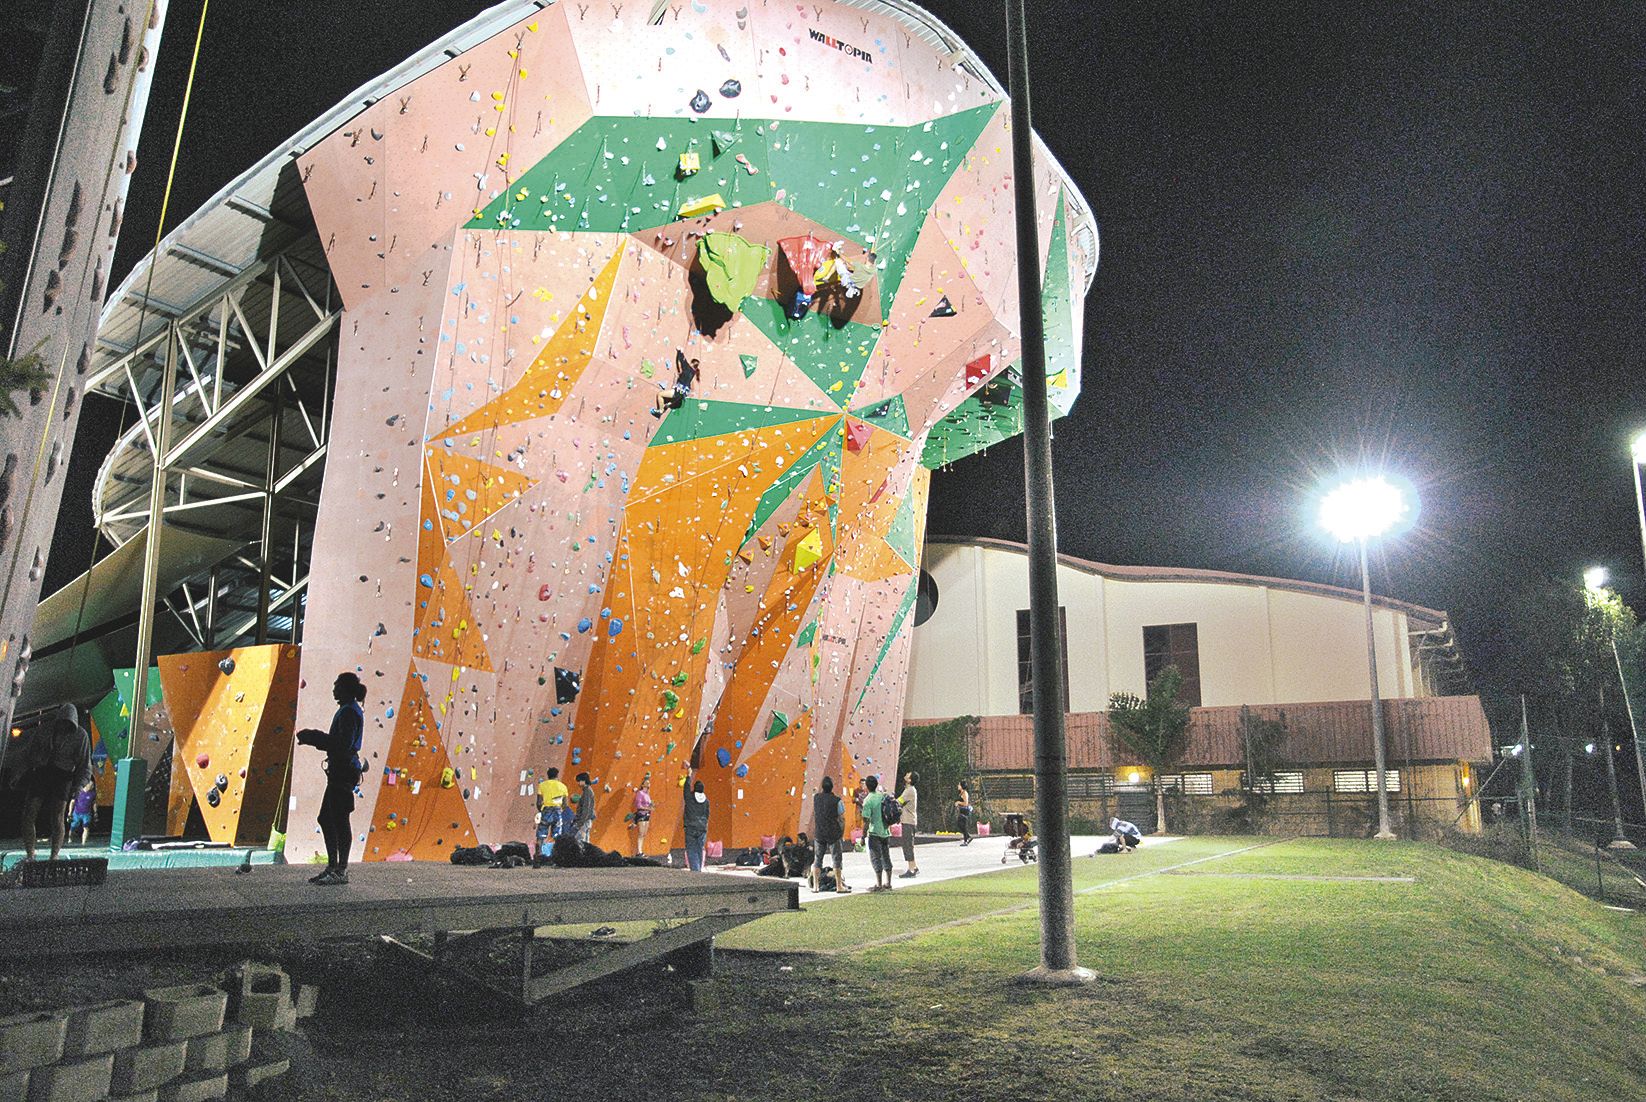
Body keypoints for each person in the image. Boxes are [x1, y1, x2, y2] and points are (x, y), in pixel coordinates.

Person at [296, 672, 366, 885]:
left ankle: (340, 869)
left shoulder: (348, 712)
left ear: (345, 689)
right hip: (341, 771)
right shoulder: (348, 710)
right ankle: (334, 866)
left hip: (343, 772)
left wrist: (314, 737)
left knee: (338, 819)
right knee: (327, 819)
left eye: (337, 686)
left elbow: (341, 744)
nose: (334, 690)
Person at [15, 704, 91, 861]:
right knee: (29, 813)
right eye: (61, 722)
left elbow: (85, 765)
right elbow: (29, 755)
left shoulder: (80, 735)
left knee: (57, 816)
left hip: (63, 775)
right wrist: (18, 773)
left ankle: (54, 855)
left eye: (67, 723)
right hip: (42, 771)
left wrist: (78, 787)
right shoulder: (44, 730)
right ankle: (30, 853)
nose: (63, 726)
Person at [811, 776, 850, 893]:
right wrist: (841, 832)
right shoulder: (837, 801)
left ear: (822, 787)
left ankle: (816, 886)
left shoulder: (816, 798)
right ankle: (839, 886)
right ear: (832, 787)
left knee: (817, 859)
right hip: (833, 832)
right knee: (836, 859)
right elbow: (841, 818)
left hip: (819, 832)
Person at [861, 775, 893, 892]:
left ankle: (879, 884)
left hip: (874, 832)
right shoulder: (882, 796)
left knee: (876, 858)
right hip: (885, 831)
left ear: (867, 787)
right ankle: (888, 882)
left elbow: (866, 820)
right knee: (886, 856)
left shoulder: (868, 800)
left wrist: (863, 836)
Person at [650, 350, 700, 417]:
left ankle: (660, 411)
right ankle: (670, 403)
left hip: (677, 391)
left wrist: (679, 351)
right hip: (682, 394)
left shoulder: (687, 368)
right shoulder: (693, 373)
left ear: (691, 363)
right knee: (675, 397)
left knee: (660, 395)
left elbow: (682, 360)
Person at [682, 771, 710, 870]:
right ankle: (698, 868)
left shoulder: (690, 798)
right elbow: (707, 814)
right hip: (702, 828)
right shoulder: (706, 801)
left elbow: (686, 788)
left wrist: (688, 775)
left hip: (690, 827)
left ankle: (695, 870)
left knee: (691, 849)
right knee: (699, 849)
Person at [896, 770, 920, 878]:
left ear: (910, 780)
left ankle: (911, 869)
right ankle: (914, 866)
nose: (905, 775)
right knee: (908, 844)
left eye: (907, 775)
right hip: (909, 820)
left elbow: (899, 801)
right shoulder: (909, 789)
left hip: (908, 821)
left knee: (907, 845)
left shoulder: (909, 790)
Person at [68, 779, 96, 847]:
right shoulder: (79, 792)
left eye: (93, 785)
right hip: (77, 813)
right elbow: (72, 802)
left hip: (86, 814)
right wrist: (70, 812)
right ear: (87, 785)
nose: (92, 786)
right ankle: (70, 838)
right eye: (91, 785)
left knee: (86, 828)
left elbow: (94, 803)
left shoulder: (93, 793)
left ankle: (83, 842)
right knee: (73, 827)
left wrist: (95, 812)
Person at [573, 772, 597, 845]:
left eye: (579, 781)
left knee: (580, 842)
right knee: (585, 842)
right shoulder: (587, 791)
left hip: (584, 821)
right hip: (586, 821)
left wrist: (580, 823)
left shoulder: (587, 792)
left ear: (584, 781)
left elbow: (586, 810)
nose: (578, 783)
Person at [632, 776, 653, 857]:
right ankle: (639, 852)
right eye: (646, 783)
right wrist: (646, 808)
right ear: (643, 785)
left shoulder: (647, 794)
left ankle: (641, 850)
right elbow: (638, 805)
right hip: (641, 814)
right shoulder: (640, 793)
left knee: (644, 833)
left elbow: (649, 803)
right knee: (641, 833)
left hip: (647, 814)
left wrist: (651, 807)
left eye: (649, 782)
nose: (648, 784)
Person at [955, 780, 974, 846]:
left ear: (962, 786)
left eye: (959, 785)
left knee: (963, 825)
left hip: (965, 811)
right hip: (961, 810)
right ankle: (968, 837)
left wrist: (958, 802)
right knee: (960, 825)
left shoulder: (965, 793)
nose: (958, 786)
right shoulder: (961, 793)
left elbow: (966, 803)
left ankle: (966, 840)